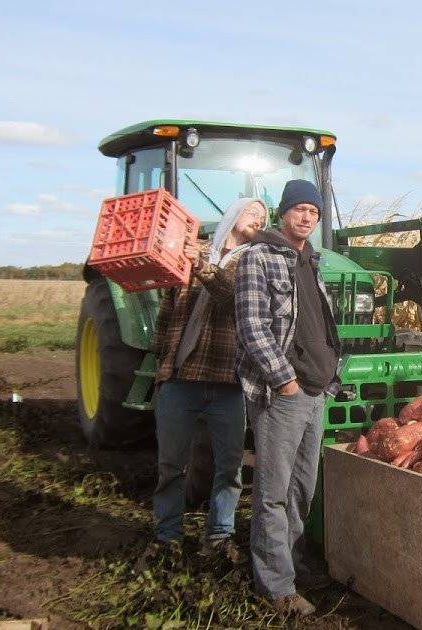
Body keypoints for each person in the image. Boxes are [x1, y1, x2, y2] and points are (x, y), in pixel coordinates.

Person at [235, 179, 340, 617]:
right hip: (283, 394)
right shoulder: (257, 257)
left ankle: (290, 564)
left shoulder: (310, 261)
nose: (306, 217)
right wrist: (285, 382)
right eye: (299, 209)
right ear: (284, 213)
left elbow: (318, 327)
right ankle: (274, 586)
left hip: (316, 393)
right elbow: (253, 327)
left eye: (313, 212)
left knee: (302, 490)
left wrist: (329, 379)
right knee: (273, 493)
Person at [146, 197, 265, 564]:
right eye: (252, 212)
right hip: (180, 379)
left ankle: (219, 537)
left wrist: (201, 265)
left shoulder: (251, 261)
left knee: (229, 468)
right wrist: (162, 365)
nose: (260, 219)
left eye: (264, 216)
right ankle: (167, 538)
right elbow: (168, 310)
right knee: (170, 465)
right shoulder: (188, 252)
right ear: (232, 216)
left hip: (226, 379)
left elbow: (230, 294)